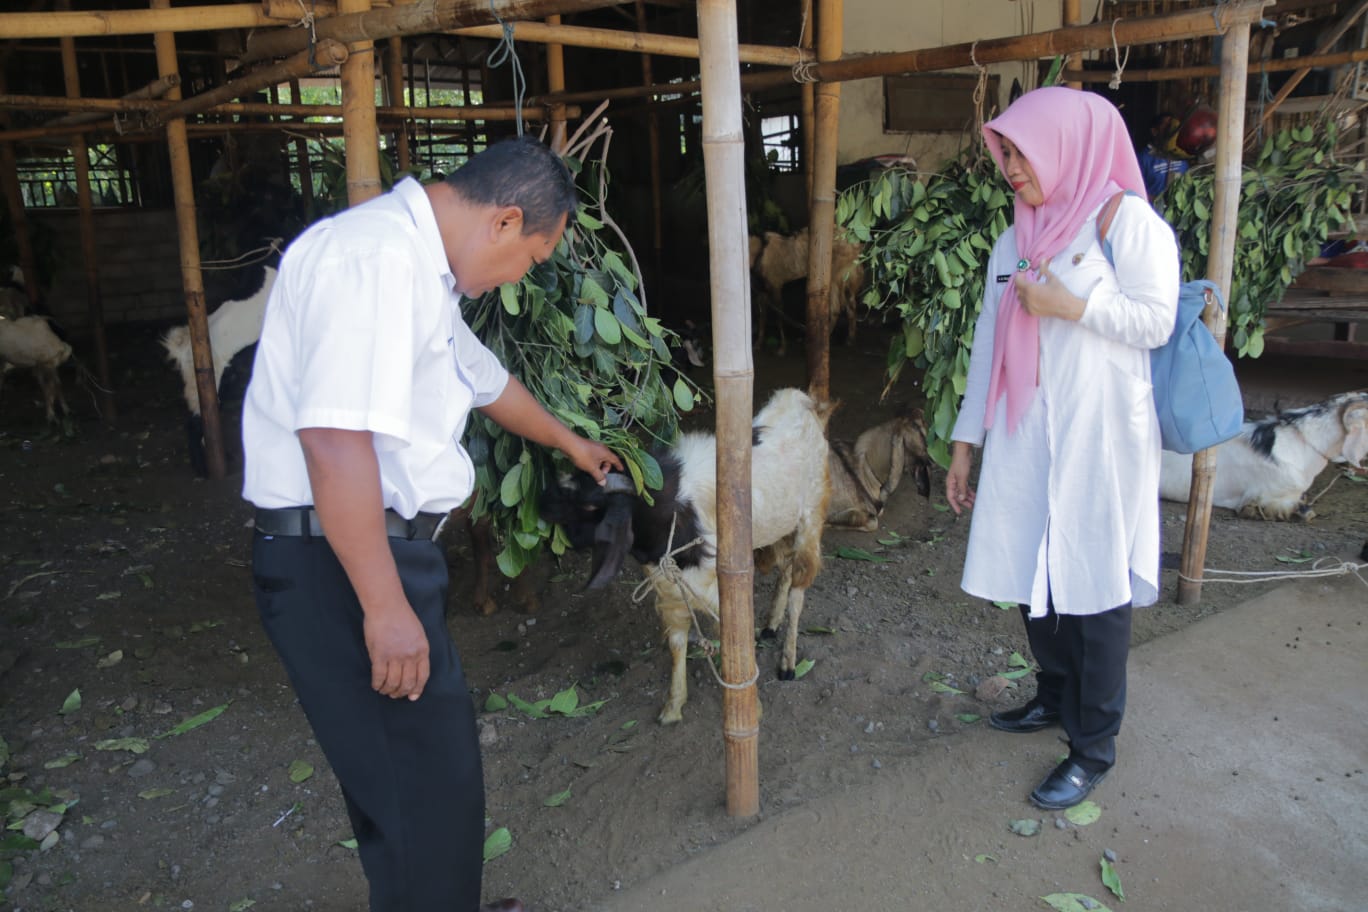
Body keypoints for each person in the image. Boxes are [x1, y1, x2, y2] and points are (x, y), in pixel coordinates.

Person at [241, 137, 622, 912]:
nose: (522, 277)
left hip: (359, 553)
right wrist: (384, 608)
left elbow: (482, 379)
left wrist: (570, 442)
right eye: (531, 260)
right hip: (341, 562)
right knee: (427, 783)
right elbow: (336, 440)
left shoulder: (419, 273)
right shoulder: (374, 261)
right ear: (506, 222)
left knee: (408, 780)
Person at [945, 87, 1180, 810]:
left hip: (1100, 437)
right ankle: (1053, 694)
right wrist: (964, 443)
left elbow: (1157, 320)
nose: (1011, 168)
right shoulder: (1014, 239)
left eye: (1022, 152)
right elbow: (990, 338)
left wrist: (1070, 306)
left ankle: (1092, 747)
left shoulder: (1124, 221)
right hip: (1025, 430)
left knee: (1095, 582)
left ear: (1066, 146)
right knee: (1028, 566)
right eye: (1005, 153)